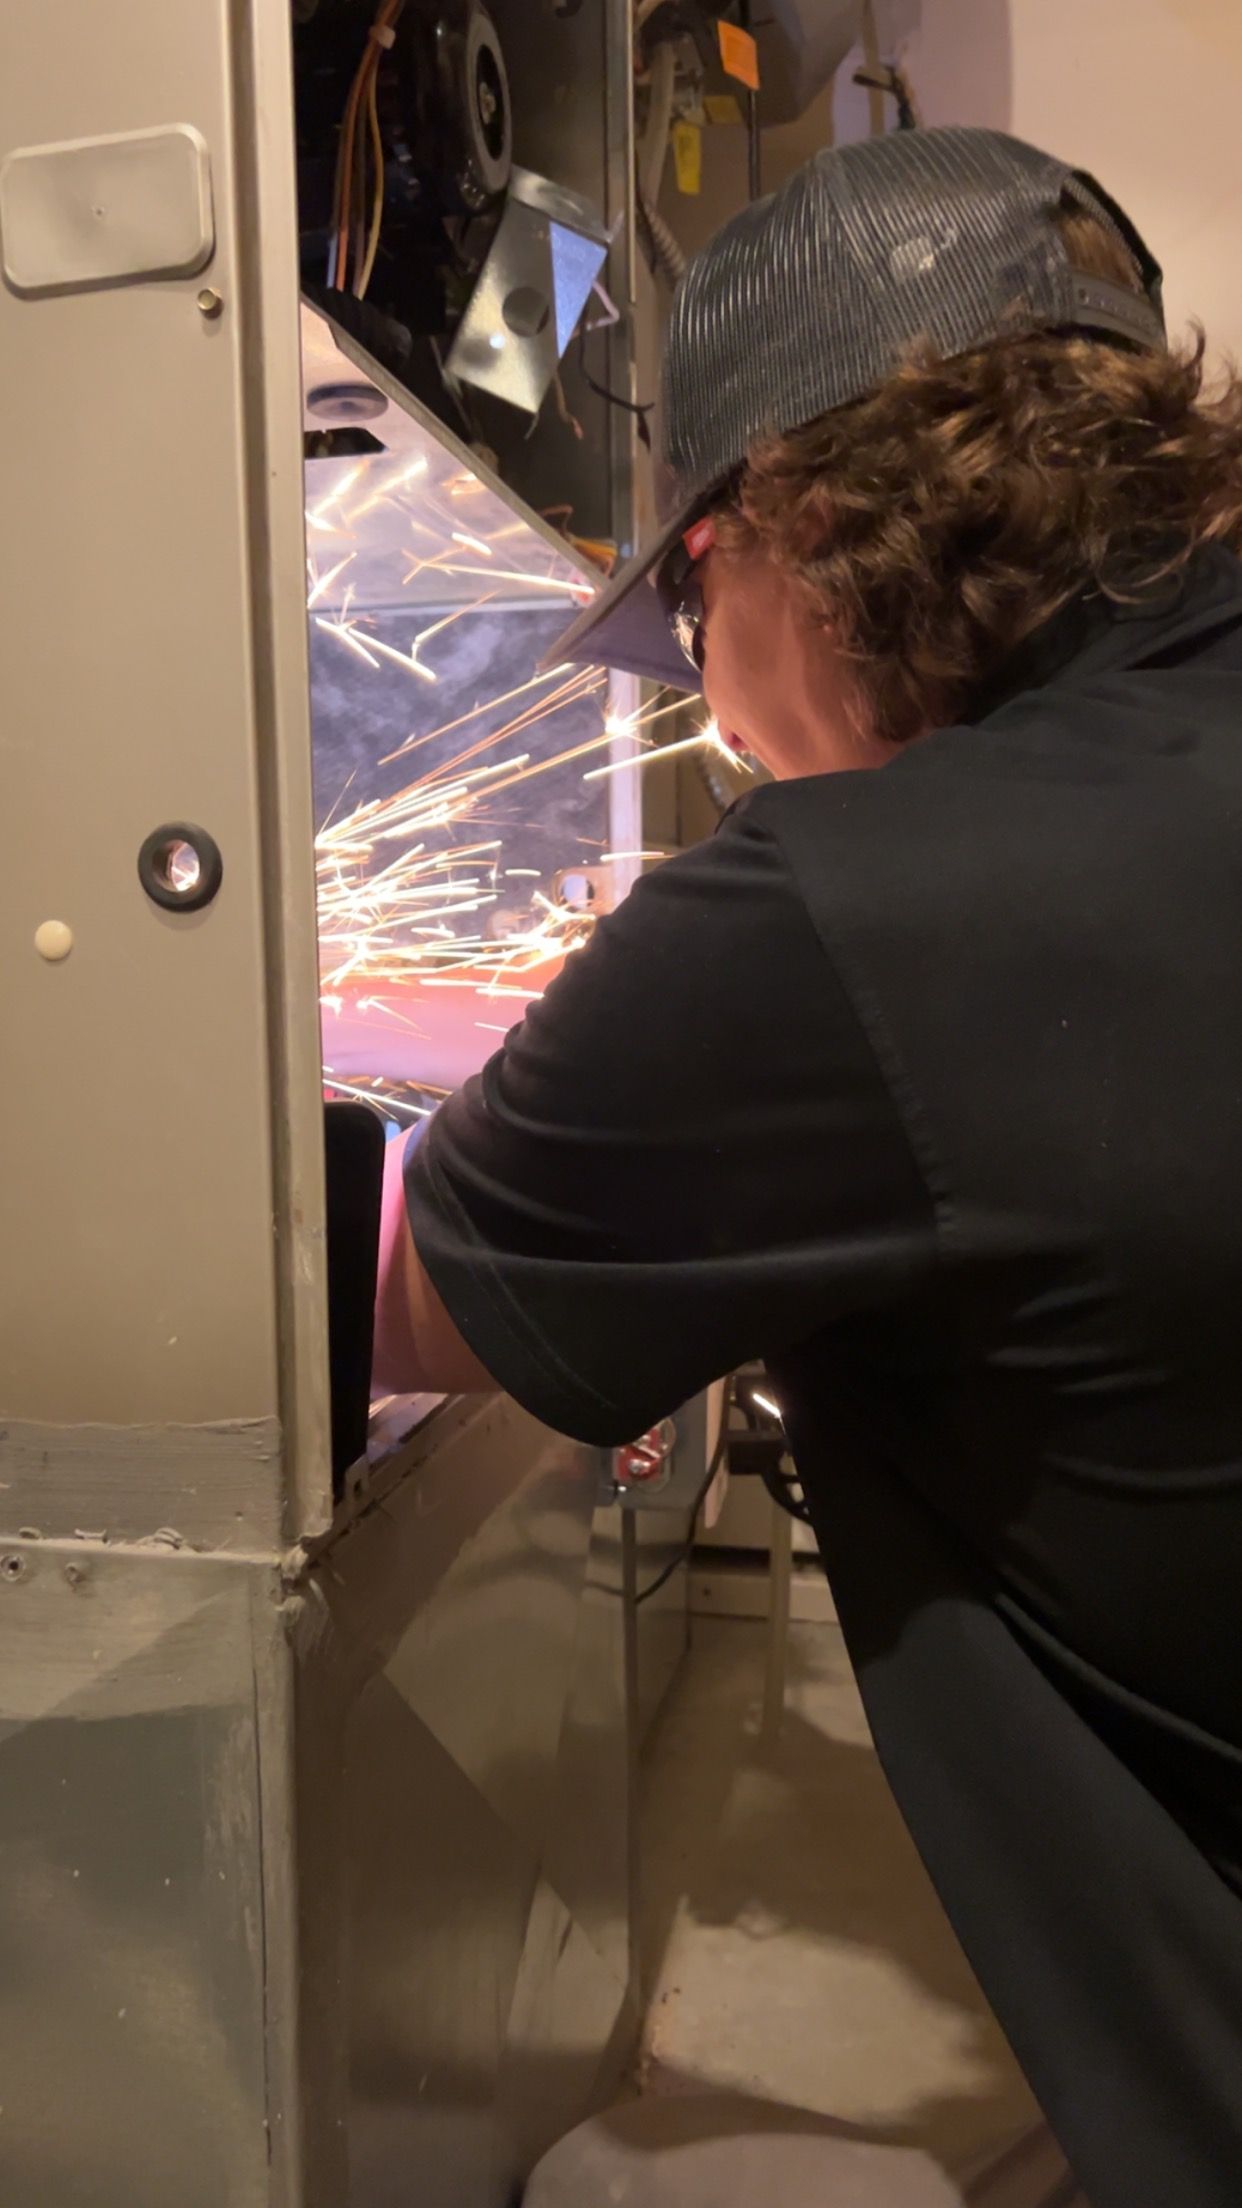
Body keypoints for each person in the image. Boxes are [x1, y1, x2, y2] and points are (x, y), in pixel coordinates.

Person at [372, 126, 1242, 2208]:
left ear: (794, 517)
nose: (711, 703)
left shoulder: (870, 906)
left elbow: (385, 1287)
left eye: (685, 605)